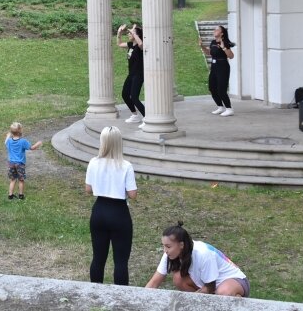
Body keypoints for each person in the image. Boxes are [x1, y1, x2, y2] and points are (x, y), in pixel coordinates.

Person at [85, 126, 137, 286]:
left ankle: (96, 290)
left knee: (98, 258)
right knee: (120, 261)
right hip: (119, 212)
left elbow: (88, 189)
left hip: (99, 210)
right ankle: (121, 296)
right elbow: (133, 194)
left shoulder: (94, 162)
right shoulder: (126, 165)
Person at [145, 222, 250, 297]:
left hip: (233, 281)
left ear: (181, 245)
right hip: (209, 286)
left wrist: (191, 302)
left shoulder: (203, 254)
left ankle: (236, 300)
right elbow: (154, 283)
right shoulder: (168, 254)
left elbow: (210, 287)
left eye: (168, 246)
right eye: (163, 246)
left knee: (223, 294)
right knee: (178, 278)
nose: (165, 250)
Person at [4, 122, 43, 200]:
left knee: (13, 179)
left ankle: (10, 195)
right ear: (20, 131)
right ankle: (21, 195)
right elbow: (31, 148)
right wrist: (38, 144)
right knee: (21, 180)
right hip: (20, 164)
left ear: (12, 132)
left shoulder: (9, 141)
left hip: (11, 163)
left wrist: (8, 136)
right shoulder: (23, 141)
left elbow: (5, 142)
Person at [117, 24, 145, 124]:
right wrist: (119, 33)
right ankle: (135, 115)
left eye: (131, 33)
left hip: (139, 74)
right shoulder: (130, 45)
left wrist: (134, 33)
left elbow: (141, 43)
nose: (129, 34)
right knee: (125, 94)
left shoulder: (140, 46)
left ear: (136, 35)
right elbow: (119, 44)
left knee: (134, 97)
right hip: (131, 74)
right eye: (129, 33)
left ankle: (147, 118)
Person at [208, 25, 235, 117]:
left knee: (221, 89)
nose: (214, 30)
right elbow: (210, 53)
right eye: (214, 29)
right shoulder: (212, 42)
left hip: (223, 66)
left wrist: (223, 47)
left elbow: (231, 56)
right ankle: (220, 106)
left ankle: (229, 108)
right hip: (214, 66)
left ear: (222, 33)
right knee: (212, 87)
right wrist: (202, 46)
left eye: (216, 29)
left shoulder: (225, 42)